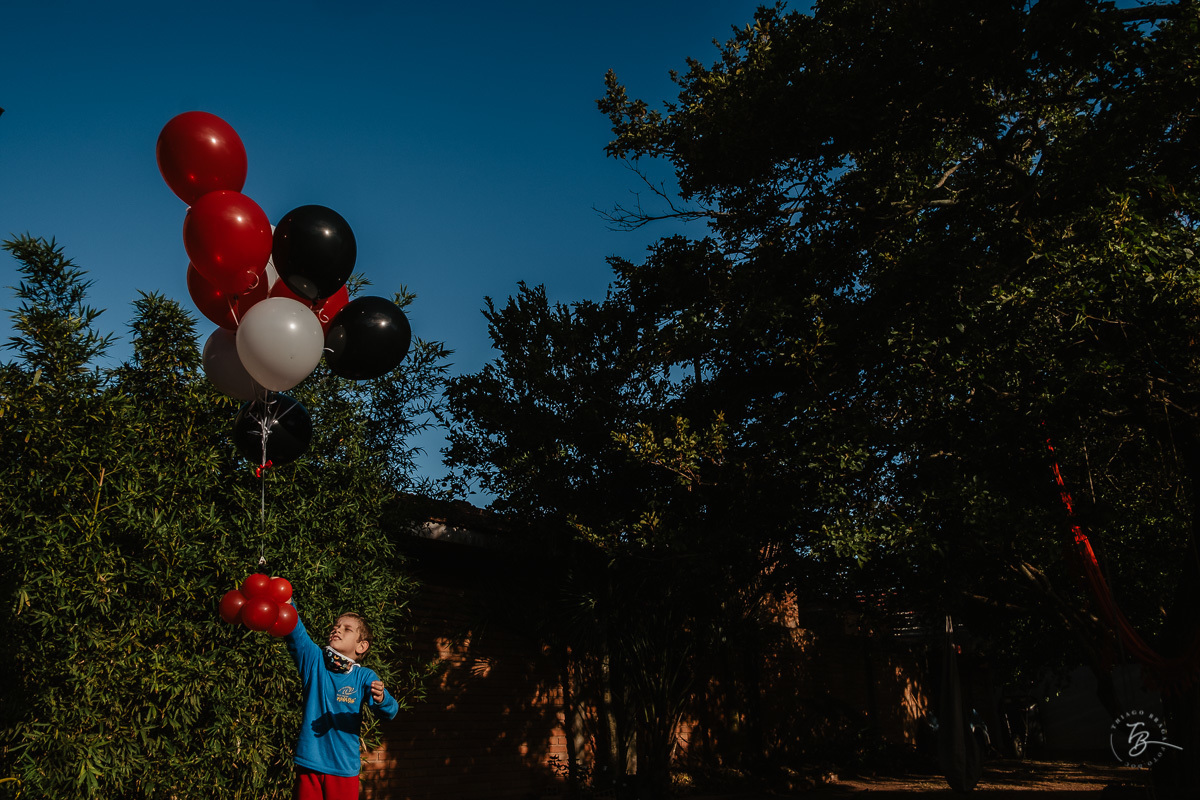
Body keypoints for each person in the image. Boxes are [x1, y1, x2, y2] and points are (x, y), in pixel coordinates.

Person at [283, 603, 400, 800]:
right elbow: (296, 631)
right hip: (309, 764)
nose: (337, 629)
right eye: (336, 626)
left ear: (361, 646)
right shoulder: (314, 661)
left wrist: (382, 699)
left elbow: (390, 712)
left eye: (347, 629)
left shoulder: (364, 676)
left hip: (344, 769)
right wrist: (287, 601)